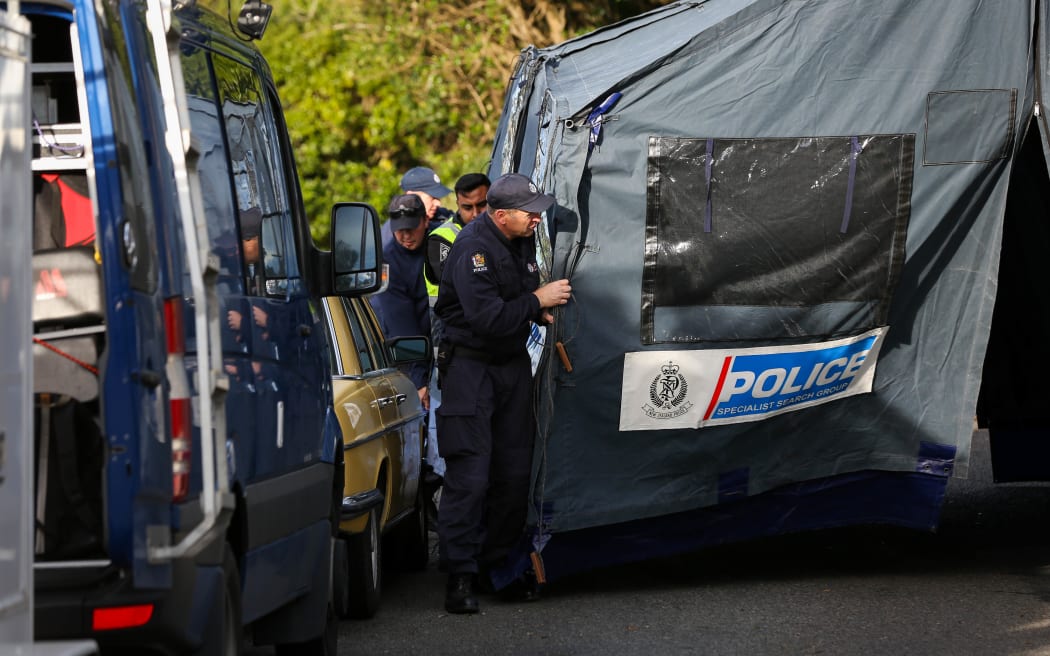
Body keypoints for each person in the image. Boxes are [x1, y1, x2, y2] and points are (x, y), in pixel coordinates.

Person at [434, 173, 572, 614]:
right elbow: (488, 318)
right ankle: (459, 576)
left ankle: (500, 569)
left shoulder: (520, 239)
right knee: (470, 477)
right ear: (500, 215)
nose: (537, 216)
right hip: (471, 369)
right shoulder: (474, 247)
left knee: (512, 474)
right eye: (528, 210)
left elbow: (511, 302)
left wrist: (538, 313)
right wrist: (536, 301)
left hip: (509, 366)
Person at [420, 173, 492, 513]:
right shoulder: (443, 238)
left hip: (491, 354)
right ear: (458, 206)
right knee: (455, 443)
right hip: (452, 348)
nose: (475, 213)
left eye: (482, 205)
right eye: (468, 207)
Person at [370, 194, 432, 409]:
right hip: (411, 361)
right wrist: (420, 380)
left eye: (411, 228)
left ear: (426, 221)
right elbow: (403, 327)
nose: (405, 235)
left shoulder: (440, 244)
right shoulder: (388, 262)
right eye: (399, 229)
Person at [382, 166, 453, 247]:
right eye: (432, 197)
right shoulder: (390, 235)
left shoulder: (443, 215)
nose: (438, 203)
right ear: (410, 195)